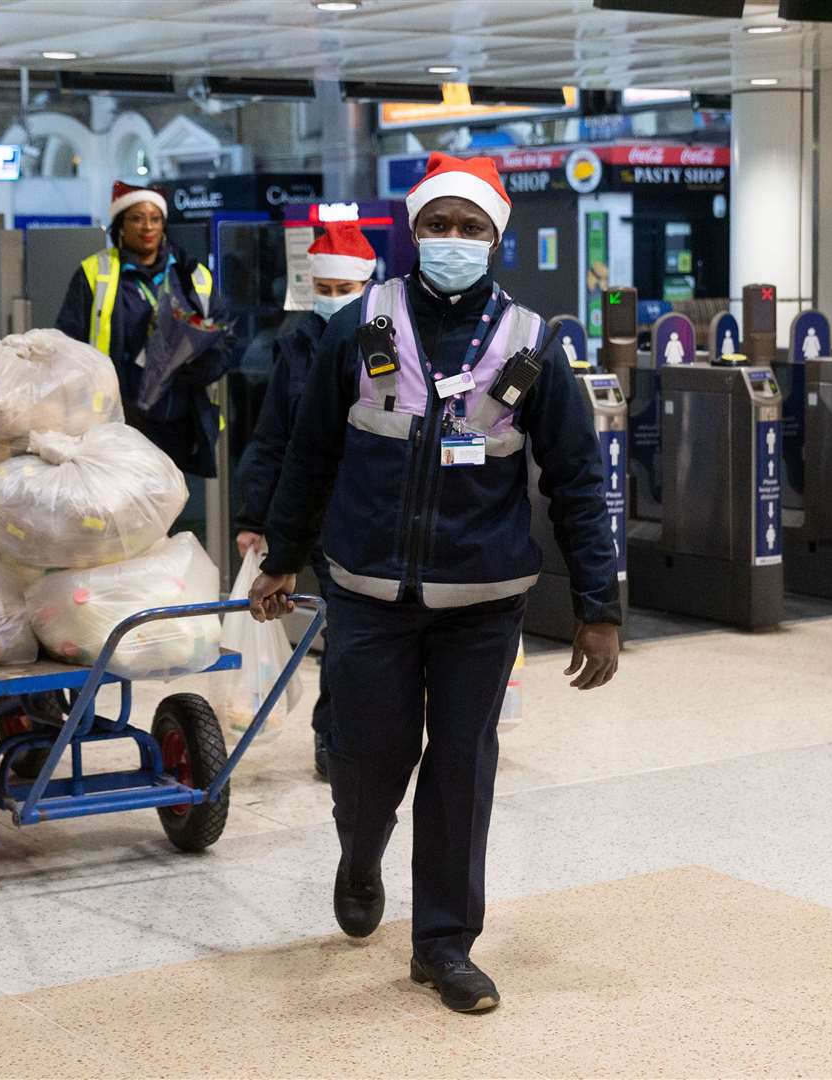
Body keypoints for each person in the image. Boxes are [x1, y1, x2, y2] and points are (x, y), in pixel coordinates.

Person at [247, 153, 621, 1014]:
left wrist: (598, 608)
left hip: (481, 604)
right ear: (413, 231)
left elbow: (574, 478)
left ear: (497, 237)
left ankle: (444, 946)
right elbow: (311, 454)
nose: (453, 240)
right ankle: (359, 851)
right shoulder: (362, 326)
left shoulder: (529, 342)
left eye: (470, 227)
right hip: (368, 594)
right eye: (438, 224)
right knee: (369, 757)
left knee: (461, 768)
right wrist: (282, 556)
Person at [233, 223, 377, 781]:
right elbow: (273, 437)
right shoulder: (294, 346)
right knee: (341, 629)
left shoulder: (387, 340)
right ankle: (334, 738)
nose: (334, 300)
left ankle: (368, 735)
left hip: (373, 509)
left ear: (366, 287)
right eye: (326, 288)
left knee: (361, 633)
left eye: (345, 290)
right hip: (314, 510)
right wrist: (253, 517)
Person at [55, 181, 231, 478]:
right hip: (115, 418)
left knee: (168, 504)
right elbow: (67, 344)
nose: (147, 227)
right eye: (136, 218)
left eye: (155, 219)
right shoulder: (94, 273)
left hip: (178, 419)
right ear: (120, 226)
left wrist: (204, 367)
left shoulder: (194, 276)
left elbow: (224, 340)